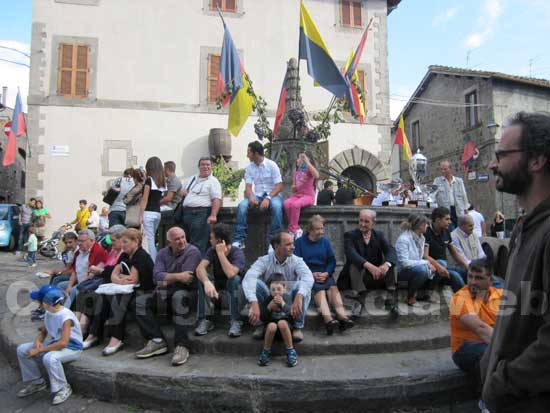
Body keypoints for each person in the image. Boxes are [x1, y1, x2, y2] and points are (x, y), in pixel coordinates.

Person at [480, 112, 550, 411]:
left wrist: (502, 382)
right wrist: (490, 363)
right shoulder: (525, 226)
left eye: (501, 154)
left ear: (536, 160)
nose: (492, 164)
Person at [134, 227, 202, 366]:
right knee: (140, 302)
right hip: (165, 291)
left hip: (187, 293)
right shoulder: (162, 253)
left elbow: (187, 278)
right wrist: (177, 276)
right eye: (177, 239)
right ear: (169, 242)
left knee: (179, 296)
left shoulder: (193, 252)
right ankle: (157, 340)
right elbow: (156, 278)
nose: (182, 241)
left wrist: (167, 278)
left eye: (183, 237)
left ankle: (182, 345)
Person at [88, 228, 155, 357]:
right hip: (128, 289)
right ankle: (94, 333)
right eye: (122, 242)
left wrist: (120, 278)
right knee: (102, 297)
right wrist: (121, 279)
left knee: (118, 299)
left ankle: (116, 337)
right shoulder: (124, 255)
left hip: (143, 291)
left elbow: (132, 279)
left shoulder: (141, 256)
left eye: (125, 242)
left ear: (136, 241)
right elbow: (114, 274)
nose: (122, 245)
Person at [242, 231, 314, 343]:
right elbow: (249, 277)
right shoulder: (264, 260)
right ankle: (261, 325)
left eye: (292, 243)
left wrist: (299, 296)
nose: (293, 247)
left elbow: (308, 277)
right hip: (270, 298)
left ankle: (297, 326)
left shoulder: (297, 261)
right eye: (288, 244)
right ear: (277, 246)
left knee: (303, 286)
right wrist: (253, 302)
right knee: (255, 283)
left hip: (289, 300)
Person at [16, 286, 82, 405]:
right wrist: (38, 341)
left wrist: (40, 350)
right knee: (22, 350)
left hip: (72, 348)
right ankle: (37, 382)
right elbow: (44, 331)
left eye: (38, 300)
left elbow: (63, 343)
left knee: (49, 358)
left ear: (46, 303)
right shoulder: (49, 312)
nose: (36, 302)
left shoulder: (65, 317)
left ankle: (63, 388)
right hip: (55, 344)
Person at [295, 215, 354, 334]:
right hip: (308, 274)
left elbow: (332, 260)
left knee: (332, 287)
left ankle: (342, 318)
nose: (321, 232)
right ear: (310, 230)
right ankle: (328, 320)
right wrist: (310, 274)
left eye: (322, 228)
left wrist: (327, 273)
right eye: (318, 229)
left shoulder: (325, 242)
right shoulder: (299, 243)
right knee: (320, 290)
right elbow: (296, 262)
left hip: (324, 272)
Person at [337, 209, 398, 317]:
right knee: (353, 264)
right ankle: (359, 301)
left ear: (373, 222)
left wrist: (386, 265)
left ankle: (390, 300)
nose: (362, 224)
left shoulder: (379, 235)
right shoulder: (350, 236)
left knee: (388, 263)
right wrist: (370, 267)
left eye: (366, 222)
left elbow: (391, 250)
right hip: (356, 278)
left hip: (375, 277)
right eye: (361, 221)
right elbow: (351, 254)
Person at [450, 259, 502, 379]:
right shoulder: (459, 298)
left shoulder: (501, 295)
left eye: (478, 278)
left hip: (491, 340)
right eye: (470, 276)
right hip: (465, 349)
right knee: (492, 353)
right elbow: (480, 328)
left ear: (491, 280)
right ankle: (486, 395)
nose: (472, 282)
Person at [195, 223, 245, 338]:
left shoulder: (237, 253)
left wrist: (221, 254)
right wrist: (207, 282)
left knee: (235, 279)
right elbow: (200, 269)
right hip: (218, 284)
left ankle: (236, 321)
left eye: (211, 238)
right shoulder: (211, 250)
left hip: (237, 290)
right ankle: (204, 320)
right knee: (202, 279)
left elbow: (231, 274)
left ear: (218, 240)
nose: (209, 240)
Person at [232, 141, 283, 249]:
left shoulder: (272, 165)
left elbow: (279, 186)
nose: (247, 155)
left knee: (277, 207)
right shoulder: (249, 168)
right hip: (258, 195)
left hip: (272, 194)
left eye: (249, 152)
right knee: (242, 206)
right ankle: (239, 239)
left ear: (256, 153)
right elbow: (248, 186)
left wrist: (268, 198)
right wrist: (251, 197)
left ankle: (273, 241)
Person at [179, 157, 222, 253]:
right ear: (199, 166)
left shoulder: (213, 181)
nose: (205, 167)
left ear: (212, 167)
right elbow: (181, 191)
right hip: (186, 215)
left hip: (201, 215)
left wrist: (213, 215)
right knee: (185, 244)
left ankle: (195, 266)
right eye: (203, 164)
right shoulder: (192, 179)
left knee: (197, 245)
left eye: (208, 164)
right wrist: (183, 193)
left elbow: (216, 199)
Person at [58, 229, 108, 311]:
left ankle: (65, 313)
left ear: (92, 241)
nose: (79, 243)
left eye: (82, 241)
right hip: (79, 280)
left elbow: (91, 276)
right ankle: (56, 307)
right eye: (78, 240)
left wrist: (75, 286)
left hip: (89, 283)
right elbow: (75, 271)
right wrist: (69, 286)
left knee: (74, 290)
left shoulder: (98, 251)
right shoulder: (79, 252)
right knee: (60, 285)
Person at [423, 207, 469, 293]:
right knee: (456, 276)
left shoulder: (446, 232)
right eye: (447, 219)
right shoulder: (427, 233)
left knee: (468, 272)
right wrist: (439, 267)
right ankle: (464, 301)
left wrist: (468, 267)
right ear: (437, 220)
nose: (450, 222)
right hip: (432, 269)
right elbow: (425, 256)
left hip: (445, 267)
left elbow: (455, 253)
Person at [257, 274, 298, 367]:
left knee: (282, 323)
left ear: (284, 288)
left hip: (285, 329)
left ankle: (290, 351)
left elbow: (292, 316)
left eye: (279, 289)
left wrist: (283, 304)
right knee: (272, 325)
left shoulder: (287, 298)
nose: (276, 292)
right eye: (273, 290)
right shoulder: (268, 299)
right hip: (271, 331)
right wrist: (269, 307)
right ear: (269, 290)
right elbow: (263, 318)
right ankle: (266, 351)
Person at [395, 213, 437, 306]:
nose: (427, 226)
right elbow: (404, 263)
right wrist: (426, 263)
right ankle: (410, 297)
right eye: (426, 224)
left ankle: (425, 294)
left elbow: (419, 257)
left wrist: (428, 264)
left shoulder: (421, 238)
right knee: (422, 270)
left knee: (439, 264)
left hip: (415, 267)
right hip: (403, 272)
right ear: (420, 226)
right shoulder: (404, 240)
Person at [283, 152, 319, 238]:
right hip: (297, 195)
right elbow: (294, 186)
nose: (299, 160)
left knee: (296, 205)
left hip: (308, 196)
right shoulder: (297, 172)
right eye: (299, 158)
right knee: (286, 204)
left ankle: (293, 229)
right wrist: (294, 187)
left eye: (301, 158)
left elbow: (317, 175)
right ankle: (294, 228)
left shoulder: (309, 171)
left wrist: (307, 162)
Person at [140, 156, 167, 261]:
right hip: (157, 213)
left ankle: (152, 261)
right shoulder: (162, 181)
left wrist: (140, 215)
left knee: (149, 240)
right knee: (153, 239)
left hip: (148, 213)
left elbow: (144, 199)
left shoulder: (149, 180)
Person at [433, 161, 469, 228]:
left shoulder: (459, 181)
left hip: (458, 210)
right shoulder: (437, 181)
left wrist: (466, 211)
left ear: (450, 169)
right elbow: (432, 195)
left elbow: (464, 196)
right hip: (445, 211)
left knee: (460, 230)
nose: (443, 171)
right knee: (450, 230)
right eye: (441, 169)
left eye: (445, 169)